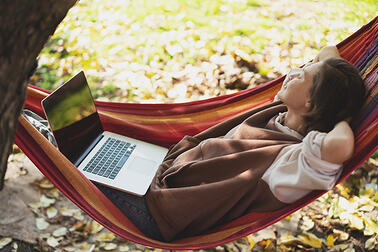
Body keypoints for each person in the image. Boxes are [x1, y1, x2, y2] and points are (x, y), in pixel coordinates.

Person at [71, 46, 368, 241]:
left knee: (73, 159)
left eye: (303, 73)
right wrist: (331, 92)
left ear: (310, 102)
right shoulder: (281, 112)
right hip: (162, 175)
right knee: (92, 150)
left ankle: (45, 138)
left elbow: (341, 146)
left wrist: (345, 114)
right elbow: (328, 53)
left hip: (157, 214)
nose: (293, 71)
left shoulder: (293, 161)